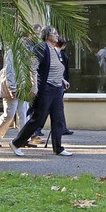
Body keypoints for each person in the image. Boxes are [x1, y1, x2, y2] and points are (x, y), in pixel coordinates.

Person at [9, 26, 73, 157]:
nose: (57, 35)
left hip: (56, 89)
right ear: (47, 35)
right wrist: (34, 86)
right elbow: (33, 67)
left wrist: (62, 80)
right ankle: (16, 143)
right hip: (46, 89)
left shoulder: (54, 50)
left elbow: (53, 67)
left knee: (58, 119)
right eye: (54, 33)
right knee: (38, 119)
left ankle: (58, 148)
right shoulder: (41, 47)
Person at [57, 36, 74, 136]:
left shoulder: (62, 54)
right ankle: (36, 130)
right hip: (57, 84)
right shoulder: (58, 54)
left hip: (61, 83)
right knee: (47, 109)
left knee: (59, 108)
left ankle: (62, 127)